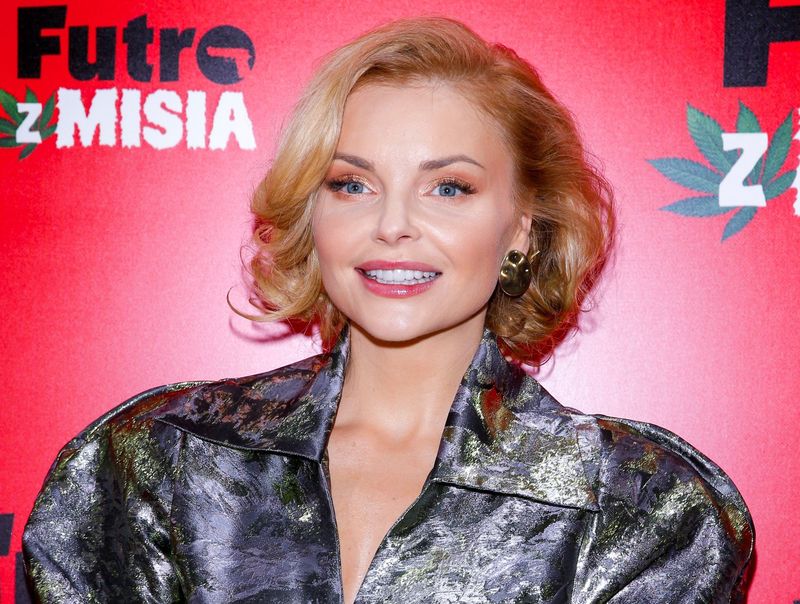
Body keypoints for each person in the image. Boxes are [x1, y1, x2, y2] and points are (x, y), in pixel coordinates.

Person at [23, 16, 753, 604]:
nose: (393, 225)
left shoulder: (637, 506)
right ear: (312, 212)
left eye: (449, 188)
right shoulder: (159, 459)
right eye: (352, 184)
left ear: (522, 227)